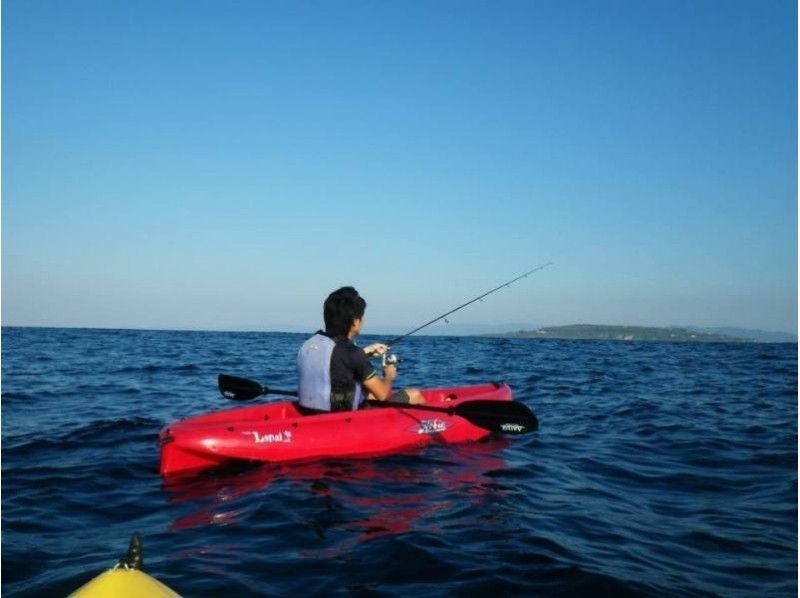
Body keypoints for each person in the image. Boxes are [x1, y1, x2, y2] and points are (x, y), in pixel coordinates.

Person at [297, 286, 425, 412]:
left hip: (311, 413)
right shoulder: (353, 353)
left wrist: (365, 352)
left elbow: (335, 361)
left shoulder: (311, 344)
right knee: (414, 394)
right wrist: (389, 376)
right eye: (362, 317)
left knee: (368, 394)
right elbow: (383, 394)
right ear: (355, 321)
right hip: (342, 421)